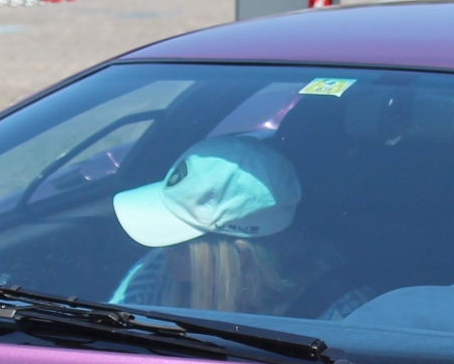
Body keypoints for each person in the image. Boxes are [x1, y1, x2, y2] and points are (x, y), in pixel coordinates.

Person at [110, 136, 362, 318]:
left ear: (241, 255)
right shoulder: (158, 271)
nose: (163, 251)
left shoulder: (338, 310)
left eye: (176, 244)